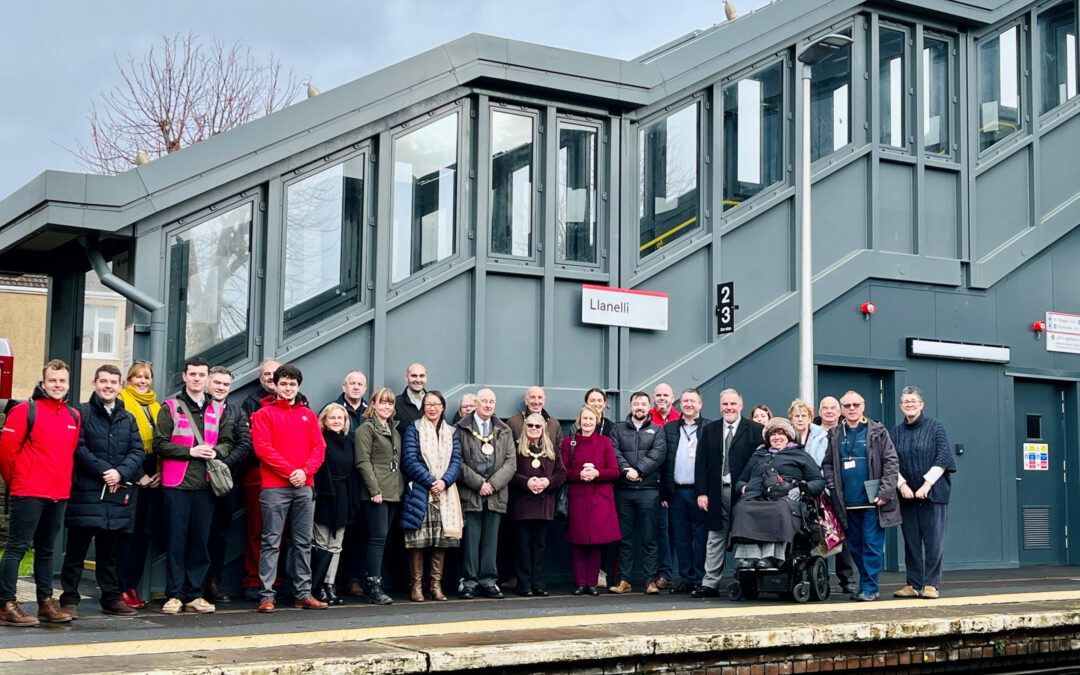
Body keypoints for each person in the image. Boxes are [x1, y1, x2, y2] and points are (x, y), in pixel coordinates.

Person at [0, 359, 82, 626]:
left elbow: (68, 454)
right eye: (52, 380)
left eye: (62, 381)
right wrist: (18, 484)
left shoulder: (73, 416)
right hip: (28, 491)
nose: (57, 385)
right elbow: (6, 453)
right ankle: (5, 604)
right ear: (43, 382)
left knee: (46, 550)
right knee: (16, 548)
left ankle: (45, 603)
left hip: (58, 493)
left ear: (68, 384)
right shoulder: (25, 411)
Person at [59, 365, 144, 618]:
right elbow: (78, 448)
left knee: (110, 555)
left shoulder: (127, 418)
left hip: (115, 497)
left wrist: (121, 473)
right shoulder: (80, 413)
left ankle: (111, 599)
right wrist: (106, 470)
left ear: (120, 387)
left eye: (113, 382)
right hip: (86, 494)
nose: (108, 386)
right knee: (76, 553)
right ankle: (69, 600)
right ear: (94, 383)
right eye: (103, 381)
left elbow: (138, 451)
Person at [154, 356, 234, 615]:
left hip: (206, 485)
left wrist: (215, 451)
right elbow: (159, 444)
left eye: (202, 375)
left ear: (208, 378)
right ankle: (175, 595)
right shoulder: (170, 406)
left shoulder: (218, 409)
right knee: (176, 541)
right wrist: (191, 451)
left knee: (200, 542)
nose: (198, 379)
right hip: (176, 484)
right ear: (184, 377)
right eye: (193, 374)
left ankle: (194, 594)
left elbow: (227, 441)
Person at [251, 363, 327, 612]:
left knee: (303, 542)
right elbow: (263, 449)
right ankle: (266, 596)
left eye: (292, 384)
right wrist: (291, 472)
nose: (288, 388)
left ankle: (303, 593)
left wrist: (304, 472)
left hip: (304, 485)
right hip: (275, 487)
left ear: (298, 387)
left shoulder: (308, 415)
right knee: (272, 541)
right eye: (283, 383)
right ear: (275, 385)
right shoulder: (263, 414)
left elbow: (319, 447)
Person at [822, 390, 901, 602]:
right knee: (855, 547)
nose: (852, 409)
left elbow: (891, 462)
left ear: (863, 406)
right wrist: (831, 483)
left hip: (873, 501)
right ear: (841, 410)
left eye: (855, 405)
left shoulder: (877, 431)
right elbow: (828, 463)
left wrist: (885, 491)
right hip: (847, 502)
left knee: (872, 545)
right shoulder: (836, 434)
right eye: (847, 406)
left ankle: (869, 587)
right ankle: (867, 585)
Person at [692, 388, 763, 598]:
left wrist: (753, 489)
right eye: (725, 404)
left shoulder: (755, 430)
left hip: (744, 493)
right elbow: (701, 462)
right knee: (715, 537)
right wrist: (702, 492)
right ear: (720, 406)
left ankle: (746, 583)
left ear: (741, 405)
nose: (729, 408)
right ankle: (710, 583)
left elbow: (760, 464)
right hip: (716, 492)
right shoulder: (710, 429)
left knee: (745, 536)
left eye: (733, 404)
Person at [730, 418, 825, 569]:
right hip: (756, 496)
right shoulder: (758, 456)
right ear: (768, 438)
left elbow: (818, 481)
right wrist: (744, 488)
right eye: (773, 434)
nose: (777, 437)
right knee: (743, 508)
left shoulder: (800, 455)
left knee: (778, 509)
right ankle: (749, 557)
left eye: (781, 433)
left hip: (786, 498)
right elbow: (741, 480)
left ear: (788, 436)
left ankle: (771, 556)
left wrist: (801, 489)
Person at [890, 386, 956, 600]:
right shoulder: (895, 432)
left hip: (934, 495)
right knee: (911, 541)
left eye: (913, 401)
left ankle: (931, 584)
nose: (909, 404)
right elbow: (890, 462)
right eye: (906, 401)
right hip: (907, 496)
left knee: (934, 541)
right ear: (901, 406)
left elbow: (943, 457)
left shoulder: (935, 427)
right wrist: (902, 485)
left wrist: (927, 485)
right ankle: (913, 584)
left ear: (921, 405)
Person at [400, 391, 462, 602]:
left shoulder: (451, 431)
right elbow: (409, 460)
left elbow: (456, 461)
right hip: (420, 492)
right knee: (418, 541)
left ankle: (435, 585)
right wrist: (430, 481)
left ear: (443, 407)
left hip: (445, 493)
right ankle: (416, 585)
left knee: (440, 541)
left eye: (436, 404)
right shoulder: (414, 429)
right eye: (428, 404)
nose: (432, 408)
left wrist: (444, 481)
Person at [455, 388, 516, 599]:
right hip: (471, 493)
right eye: (484, 401)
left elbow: (510, 463)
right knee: (471, 541)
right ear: (476, 403)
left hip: (496, 494)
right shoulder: (461, 429)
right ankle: (469, 582)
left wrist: (493, 484)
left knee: (491, 540)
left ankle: (489, 581)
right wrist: (479, 483)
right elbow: (458, 461)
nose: (488, 405)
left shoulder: (504, 430)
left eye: (492, 402)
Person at [609, 391, 667, 595]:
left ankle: (650, 581)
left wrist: (640, 470)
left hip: (648, 491)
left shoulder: (658, 430)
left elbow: (658, 454)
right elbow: (614, 452)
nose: (639, 407)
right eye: (636, 404)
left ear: (648, 406)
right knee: (624, 539)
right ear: (630, 406)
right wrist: (628, 471)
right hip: (624, 491)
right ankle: (624, 579)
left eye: (643, 403)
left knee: (649, 538)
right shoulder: (617, 428)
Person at [114, 360, 161, 610]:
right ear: (129, 380)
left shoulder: (156, 406)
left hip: (154, 477)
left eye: (146, 377)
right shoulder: (122, 403)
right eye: (137, 377)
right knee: (128, 535)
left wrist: (160, 473)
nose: (142, 381)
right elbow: (124, 443)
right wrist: (141, 473)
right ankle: (121, 587)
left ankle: (133, 585)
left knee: (143, 535)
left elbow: (164, 441)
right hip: (132, 475)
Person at [204, 366, 252, 604]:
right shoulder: (195, 409)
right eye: (217, 383)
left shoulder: (237, 412)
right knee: (196, 534)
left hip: (226, 483)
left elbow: (245, 444)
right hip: (196, 482)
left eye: (225, 384)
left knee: (219, 535)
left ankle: (213, 582)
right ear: (207, 383)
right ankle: (188, 584)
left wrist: (222, 464)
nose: (221, 387)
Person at [562, 406, 621, 596]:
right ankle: (580, 583)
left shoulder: (604, 442)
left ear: (597, 421)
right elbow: (562, 472)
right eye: (584, 418)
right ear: (579, 421)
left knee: (596, 543)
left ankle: (592, 583)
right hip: (578, 498)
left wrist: (597, 473)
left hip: (599, 499)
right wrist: (579, 474)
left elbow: (614, 471)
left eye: (591, 419)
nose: (587, 422)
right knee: (578, 543)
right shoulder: (568, 443)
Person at [354, 387, 404, 605]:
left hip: (393, 492)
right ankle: (373, 585)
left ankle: (374, 581)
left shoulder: (393, 429)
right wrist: (374, 490)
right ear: (372, 404)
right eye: (382, 402)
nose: (386, 406)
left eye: (390, 403)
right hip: (376, 494)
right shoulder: (366, 429)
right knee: (377, 539)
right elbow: (363, 462)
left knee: (380, 539)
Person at [509, 412, 566, 596]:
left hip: (544, 505)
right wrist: (526, 482)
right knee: (523, 547)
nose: (534, 429)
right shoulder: (516, 448)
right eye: (530, 425)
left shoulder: (552, 450)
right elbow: (510, 473)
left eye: (538, 426)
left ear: (543, 429)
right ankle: (524, 584)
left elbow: (561, 474)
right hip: (522, 505)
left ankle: (538, 583)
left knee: (540, 547)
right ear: (525, 428)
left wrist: (548, 482)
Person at [238, 358, 279, 601]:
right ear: (260, 377)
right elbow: (251, 442)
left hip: (286, 478)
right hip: (258, 476)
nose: (271, 378)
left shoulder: (300, 400)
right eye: (266, 374)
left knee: (282, 534)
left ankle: (278, 580)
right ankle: (254, 580)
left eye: (275, 373)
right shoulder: (251, 402)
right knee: (257, 531)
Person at [662, 388, 710, 593]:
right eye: (685, 401)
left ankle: (699, 578)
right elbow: (664, 461)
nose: (689, 404)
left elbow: (711, 463)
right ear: (680, 405)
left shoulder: (709, 428)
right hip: (676, 492)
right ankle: (686, 578)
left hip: (699, 493)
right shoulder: (670, 428)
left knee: (700, 537)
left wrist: (705, 492)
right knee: (681, 537)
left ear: (700, 404)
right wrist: (665, 492)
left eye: (693, 401)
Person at [327, 370, 368, 599]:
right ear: (344, 386)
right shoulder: (332, 410)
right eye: (351, 383)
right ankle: (330, 580)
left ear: (364, 388)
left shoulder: (370, 412)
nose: (355, 387)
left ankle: (353, 578)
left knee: (358, 533)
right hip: (338, 480)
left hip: (361, 481)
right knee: (333, 532)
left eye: (360, 384)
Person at [311, 403, 354, 606]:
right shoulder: (320, 440)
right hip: (326, 496)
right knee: (322, 543)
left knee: (336, 545)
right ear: (324, 421)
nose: (337, 421)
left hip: (344, 496)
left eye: (340, 418)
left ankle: (329, 585)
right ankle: (317, 586)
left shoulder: (348, 442)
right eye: (332, 418)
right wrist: (326, 494)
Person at [817, 394, 855, 593]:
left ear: (839, 411)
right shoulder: (811, 432)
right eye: (825, 408)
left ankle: (846, 578)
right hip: (817, 491)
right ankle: (819, 577)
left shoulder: (848, 432)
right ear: (819, 412)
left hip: (842, 490)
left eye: (833, 407)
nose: (830, 411)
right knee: (819, 535)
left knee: (843, 535)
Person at [649, 382, 679, 590]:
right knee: (661, 530)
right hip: (655, 483)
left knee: (677, 531)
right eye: (658, 395)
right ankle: (663, 572)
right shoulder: (648, 417)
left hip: (678, 482)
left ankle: (669, 572)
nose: (662, 398)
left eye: (665, 395)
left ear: (672, 397)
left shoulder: (680, 418)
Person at [789, 399, 827, 466]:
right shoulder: (786, 436)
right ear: (791, 419)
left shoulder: (821, 437)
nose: (800, 419)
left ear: (810, 419)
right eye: (797, 416)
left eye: (804, 416)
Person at [395, 363, 428, 437]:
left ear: (426, 378)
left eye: (422, 376)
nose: (418, 380)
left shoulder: (435, 403)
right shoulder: (395, 404)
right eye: (414, 376)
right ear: (406, 377)